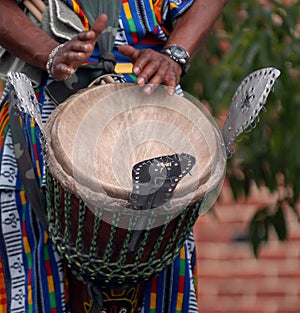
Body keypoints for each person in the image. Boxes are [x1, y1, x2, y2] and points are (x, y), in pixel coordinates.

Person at [0, 0, 227, 312]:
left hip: (149, 106)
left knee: (160, 271)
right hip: (42, 103)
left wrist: (175, 54)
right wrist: (49, 52)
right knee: (35, 277)